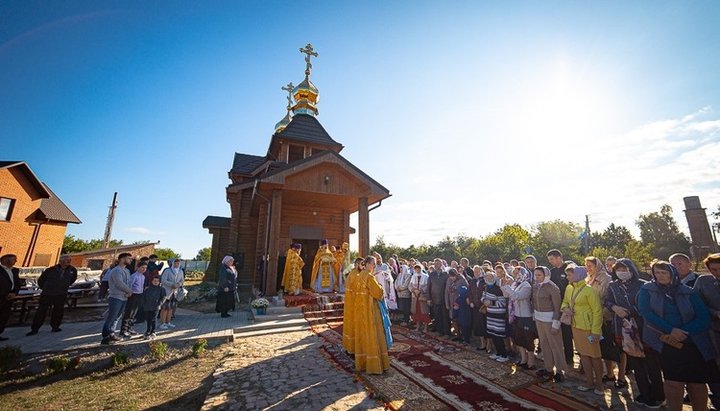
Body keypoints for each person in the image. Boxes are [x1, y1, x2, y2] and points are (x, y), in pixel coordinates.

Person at [639, 260, 720, 411]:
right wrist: (671, 330)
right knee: (673, 381)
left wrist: (684, 331)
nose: (661, 276)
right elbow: (646, 312)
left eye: (664, 272)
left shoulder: (688, 291)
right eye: (657, 273)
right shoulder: (648, 290)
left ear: (672, 273)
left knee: (696, 382)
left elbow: (703, 316)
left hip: (692, 342)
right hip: (667, 342)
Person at [607, 258, 665, 408]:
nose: (622, 273)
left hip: (643, 328)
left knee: (651, 363)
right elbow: (607, 300)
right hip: (624, 328)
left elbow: (649, 307)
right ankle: (644, 393)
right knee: (636, 362)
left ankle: (658, 395)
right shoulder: (613, 286)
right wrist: (614, 307)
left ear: (632, 269)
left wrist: (631, 312)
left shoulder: (643, 285)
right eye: (618, 270)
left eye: (624, 269)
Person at [562, 265, 604, 395]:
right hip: (576, 326)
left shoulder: (589, 290)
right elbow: (564, 303)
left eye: (570, 274)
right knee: (584, 355)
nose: (567, 277)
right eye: (567, 274)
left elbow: (597, 311)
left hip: (589, 329)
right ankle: (589, 382)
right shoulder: (569, 288)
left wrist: (595, 331)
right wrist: (566, 309)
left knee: (595, 357)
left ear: (578, 275)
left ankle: (599, 385)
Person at [585, 256, 623, 387]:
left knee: (614, 348)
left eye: (591, 265)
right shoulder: (588, 279)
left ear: (598, 265)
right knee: (603, 348)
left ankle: (621, 376)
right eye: (586, 265)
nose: (588, 268)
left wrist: (601, 315)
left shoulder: (606, 279)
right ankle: (610, 374)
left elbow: (606, 298)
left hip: (606, 318)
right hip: (593, 319)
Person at [351, 256, 391, 374]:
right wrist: (381, 288)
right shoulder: (369, 276)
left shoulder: (358, 276)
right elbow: (378, 293)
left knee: (363, 336)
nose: (374, 266)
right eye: (373, 264)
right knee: (373, 336)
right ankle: (374, 366)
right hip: (370, 311)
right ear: (369, 264)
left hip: (360, 310)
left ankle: (362, 363)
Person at [532, 266, 568, 382]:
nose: (537, 277)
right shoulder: (536, 286)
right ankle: (548, 368)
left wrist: (555, 323)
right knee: (544, 344)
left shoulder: (553, 288)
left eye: (539, 275)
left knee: (555, 345)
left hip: (550, 320)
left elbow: (557, 307)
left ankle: (559, 371)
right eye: (536, 275)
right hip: (539, 319)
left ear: (545, 275)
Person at [27, 255, 77, 336]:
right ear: (60, 261)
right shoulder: (51, 270)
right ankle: (35, 328)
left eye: (69, 260)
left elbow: (72, 279)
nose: (68, 262)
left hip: (61, 293)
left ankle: (55, 326)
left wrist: (64, 286)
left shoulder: (72, 270)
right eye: (66, 260)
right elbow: (41, 280)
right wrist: (46, 288)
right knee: (41, 310)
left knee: (58, 310)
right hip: (47, 293)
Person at [695, 253, 720, 410]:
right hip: (713, 332)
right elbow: (697, 305)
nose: (718, 272)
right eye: (714, 269)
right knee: (715, 367)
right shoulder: (704, 282)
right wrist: (715, 312)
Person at [547, 249, 573, 367]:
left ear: (558, 257)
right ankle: (561, 356)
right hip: (556, 305)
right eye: (549, 260)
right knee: (560, 331)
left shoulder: (569, 268)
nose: (551, 262)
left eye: (552, 259)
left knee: (570, 333)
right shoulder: (552, 272)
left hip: (569, 305)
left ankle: (570, 358)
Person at [101, 253, 133, 344]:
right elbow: (119, 283)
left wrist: (129, 291)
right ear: (122, 259)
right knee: (111, 317)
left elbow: (129, 282)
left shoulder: (127, 271)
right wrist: (129, 291)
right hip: (116, 297)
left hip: (124, 297)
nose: (130, 260)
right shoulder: (116, 271)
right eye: (129, 258)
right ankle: (106, 336)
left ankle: (112, 333)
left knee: (117, 317)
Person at [509, 267, 536, 369]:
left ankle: (531, 362)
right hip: (516, 314)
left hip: (526, 315)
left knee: (528, 339)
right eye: (514, 274)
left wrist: (508, 288)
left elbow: (518, 296)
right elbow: (509, 295)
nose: (515, 276)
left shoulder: (527, 285)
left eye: (517, 274)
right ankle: (523, 359)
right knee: (519, 338)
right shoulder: (516, 284)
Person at [483, 271, 509, 362]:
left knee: (498, 335)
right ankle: (498, 353)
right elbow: (483, 297)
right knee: (493, 334)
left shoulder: (499, 288)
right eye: (487, 277)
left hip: (498, 315)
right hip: (490, 314)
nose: (489, 279)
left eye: (490, 277)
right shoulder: (486, 287)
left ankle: (504, 354)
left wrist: (491, 303)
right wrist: (484, 301)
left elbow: (503, 302)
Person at [119, 262, 147, 337]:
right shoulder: (134, 276)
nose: (144, 269)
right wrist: (129, 293)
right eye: (142, 267)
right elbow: (129, 285)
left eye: (145, 268)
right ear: (138, 268)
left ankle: (130, 328)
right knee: (129, 312)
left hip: (139, 295)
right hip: (133, 295)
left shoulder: (143, 277)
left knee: (134, 313)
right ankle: (123, 330)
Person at [343, 258, 364, 353]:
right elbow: (358, 291)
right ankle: (354, 349)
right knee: (355, 327)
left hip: (350, 304)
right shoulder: (356, 275)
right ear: (357, 264)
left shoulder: (352, 273)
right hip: (355, 304)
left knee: (350, 325)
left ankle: (349, 347)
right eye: (361, 264)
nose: (363, 266)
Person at [0, 254, 21, 341]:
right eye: (14, 259)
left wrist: (14, 293)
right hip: (1, 296)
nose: (15, 261)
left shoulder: (14, 271)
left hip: (9, 297)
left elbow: (17, 284)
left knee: (4, 317)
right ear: (6, 260)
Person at [468, 265, 488, 351]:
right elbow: (470, 293)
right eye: (475, 271)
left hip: (483, 307)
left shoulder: (485, 281)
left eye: (478, 271)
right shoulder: (472, 281)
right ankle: (482, 344)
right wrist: (471, 301)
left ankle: (488, 345)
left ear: (481, 272)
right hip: (475, 307)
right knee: (478, 325)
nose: (476, 273)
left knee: (485, 325)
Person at [159, 258, 184, 329]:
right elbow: (163, 280)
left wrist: (178, 284)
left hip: (174, 292)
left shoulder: (180, 271)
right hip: (167, 291)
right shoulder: (167, 270)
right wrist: (172, 284)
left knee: (171, 308)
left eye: (178, 263)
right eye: (176, 263)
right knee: (165, 308)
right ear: (172, 263)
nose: (177, 264)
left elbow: (182, 281)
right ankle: (162, 323)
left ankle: (168, 322)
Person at [428, 259, 450, 337]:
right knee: (437, 316)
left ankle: (447, 332)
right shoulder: (431, 274)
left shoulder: (446, 274)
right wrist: (429, 298)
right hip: (434, 299)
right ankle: (440, 331)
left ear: (441, 264)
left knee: (445, 316)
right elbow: (428, 287)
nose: (436, 265)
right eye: (435, 264)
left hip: (444, 299)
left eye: (438, 263)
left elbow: (448, 288)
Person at [446, 268, 468, 340]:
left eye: (453, 276)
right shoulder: (448, 280)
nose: (452, 278)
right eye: (451, 276)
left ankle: (464, 335)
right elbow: (446, 292)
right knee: (454, 319)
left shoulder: (461, 279)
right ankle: (457, 334)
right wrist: (447, 303)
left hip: (460, 303)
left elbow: (467, 289)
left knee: (461, 320)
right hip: (451, 302)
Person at [142, 275, 166, 339]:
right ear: (152, 281)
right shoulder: (148, 288)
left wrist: (160, 304)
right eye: (154, 281)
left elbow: (163, 297)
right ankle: (148, 331)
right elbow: (144, 297)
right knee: (148, 319)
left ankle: (153, 331)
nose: (156, 282)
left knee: (153, 319)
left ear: (159, 282)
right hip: (147, 306)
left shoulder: (161, 289)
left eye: (157, 281)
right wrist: (144, 304)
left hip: (156, 306)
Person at [409, 263, 430, 333]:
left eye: (419, 268)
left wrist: (420, 291)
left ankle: (426, 327)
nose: (417, 270)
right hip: (415, 297)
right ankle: (418, 326)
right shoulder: (413, 276)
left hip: (422, 297)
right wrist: (414, 290)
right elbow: (410, 285)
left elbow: (427, 286)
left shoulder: (426, 276)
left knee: (424, 312)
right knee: (416, 312)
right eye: (416, 268)